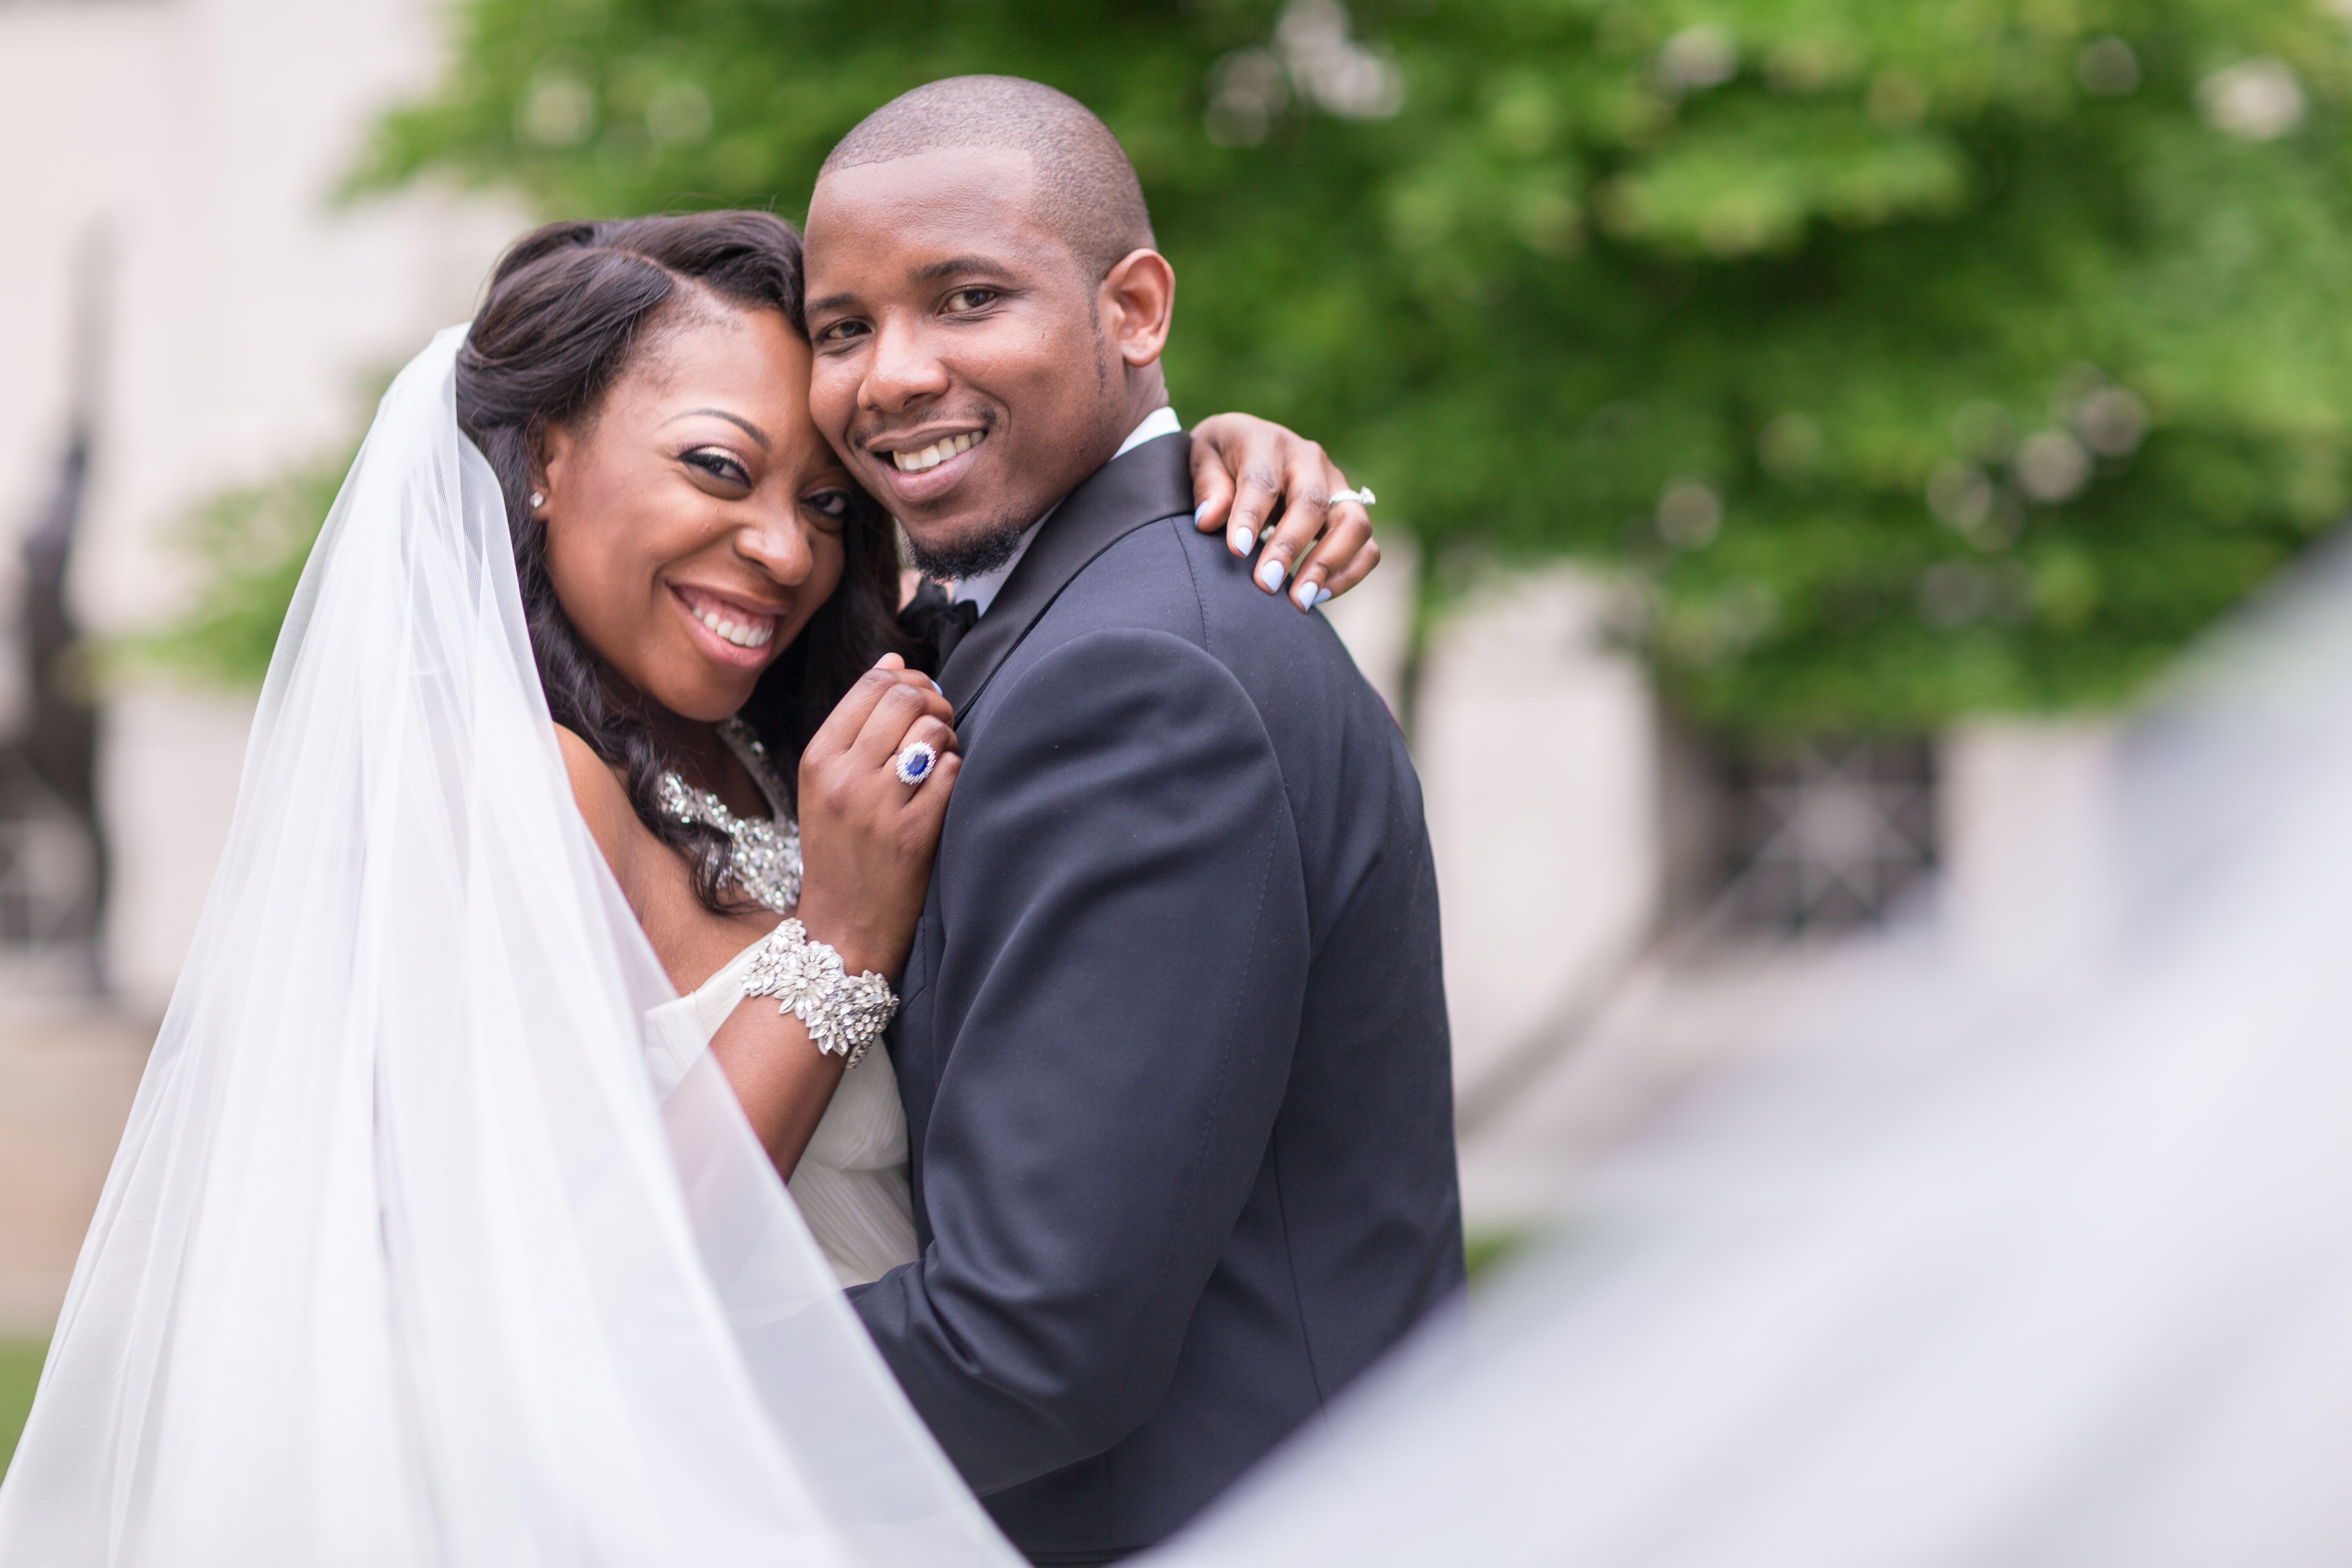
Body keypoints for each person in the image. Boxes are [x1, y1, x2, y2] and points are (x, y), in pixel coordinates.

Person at [800, 77, 1463, 1564]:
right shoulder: (1068, 615)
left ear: (1137, 306)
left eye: (968, 299)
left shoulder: (1138, 678)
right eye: (841, 329)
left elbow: (1026, 1346)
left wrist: (588, 1413)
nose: (892, 375)